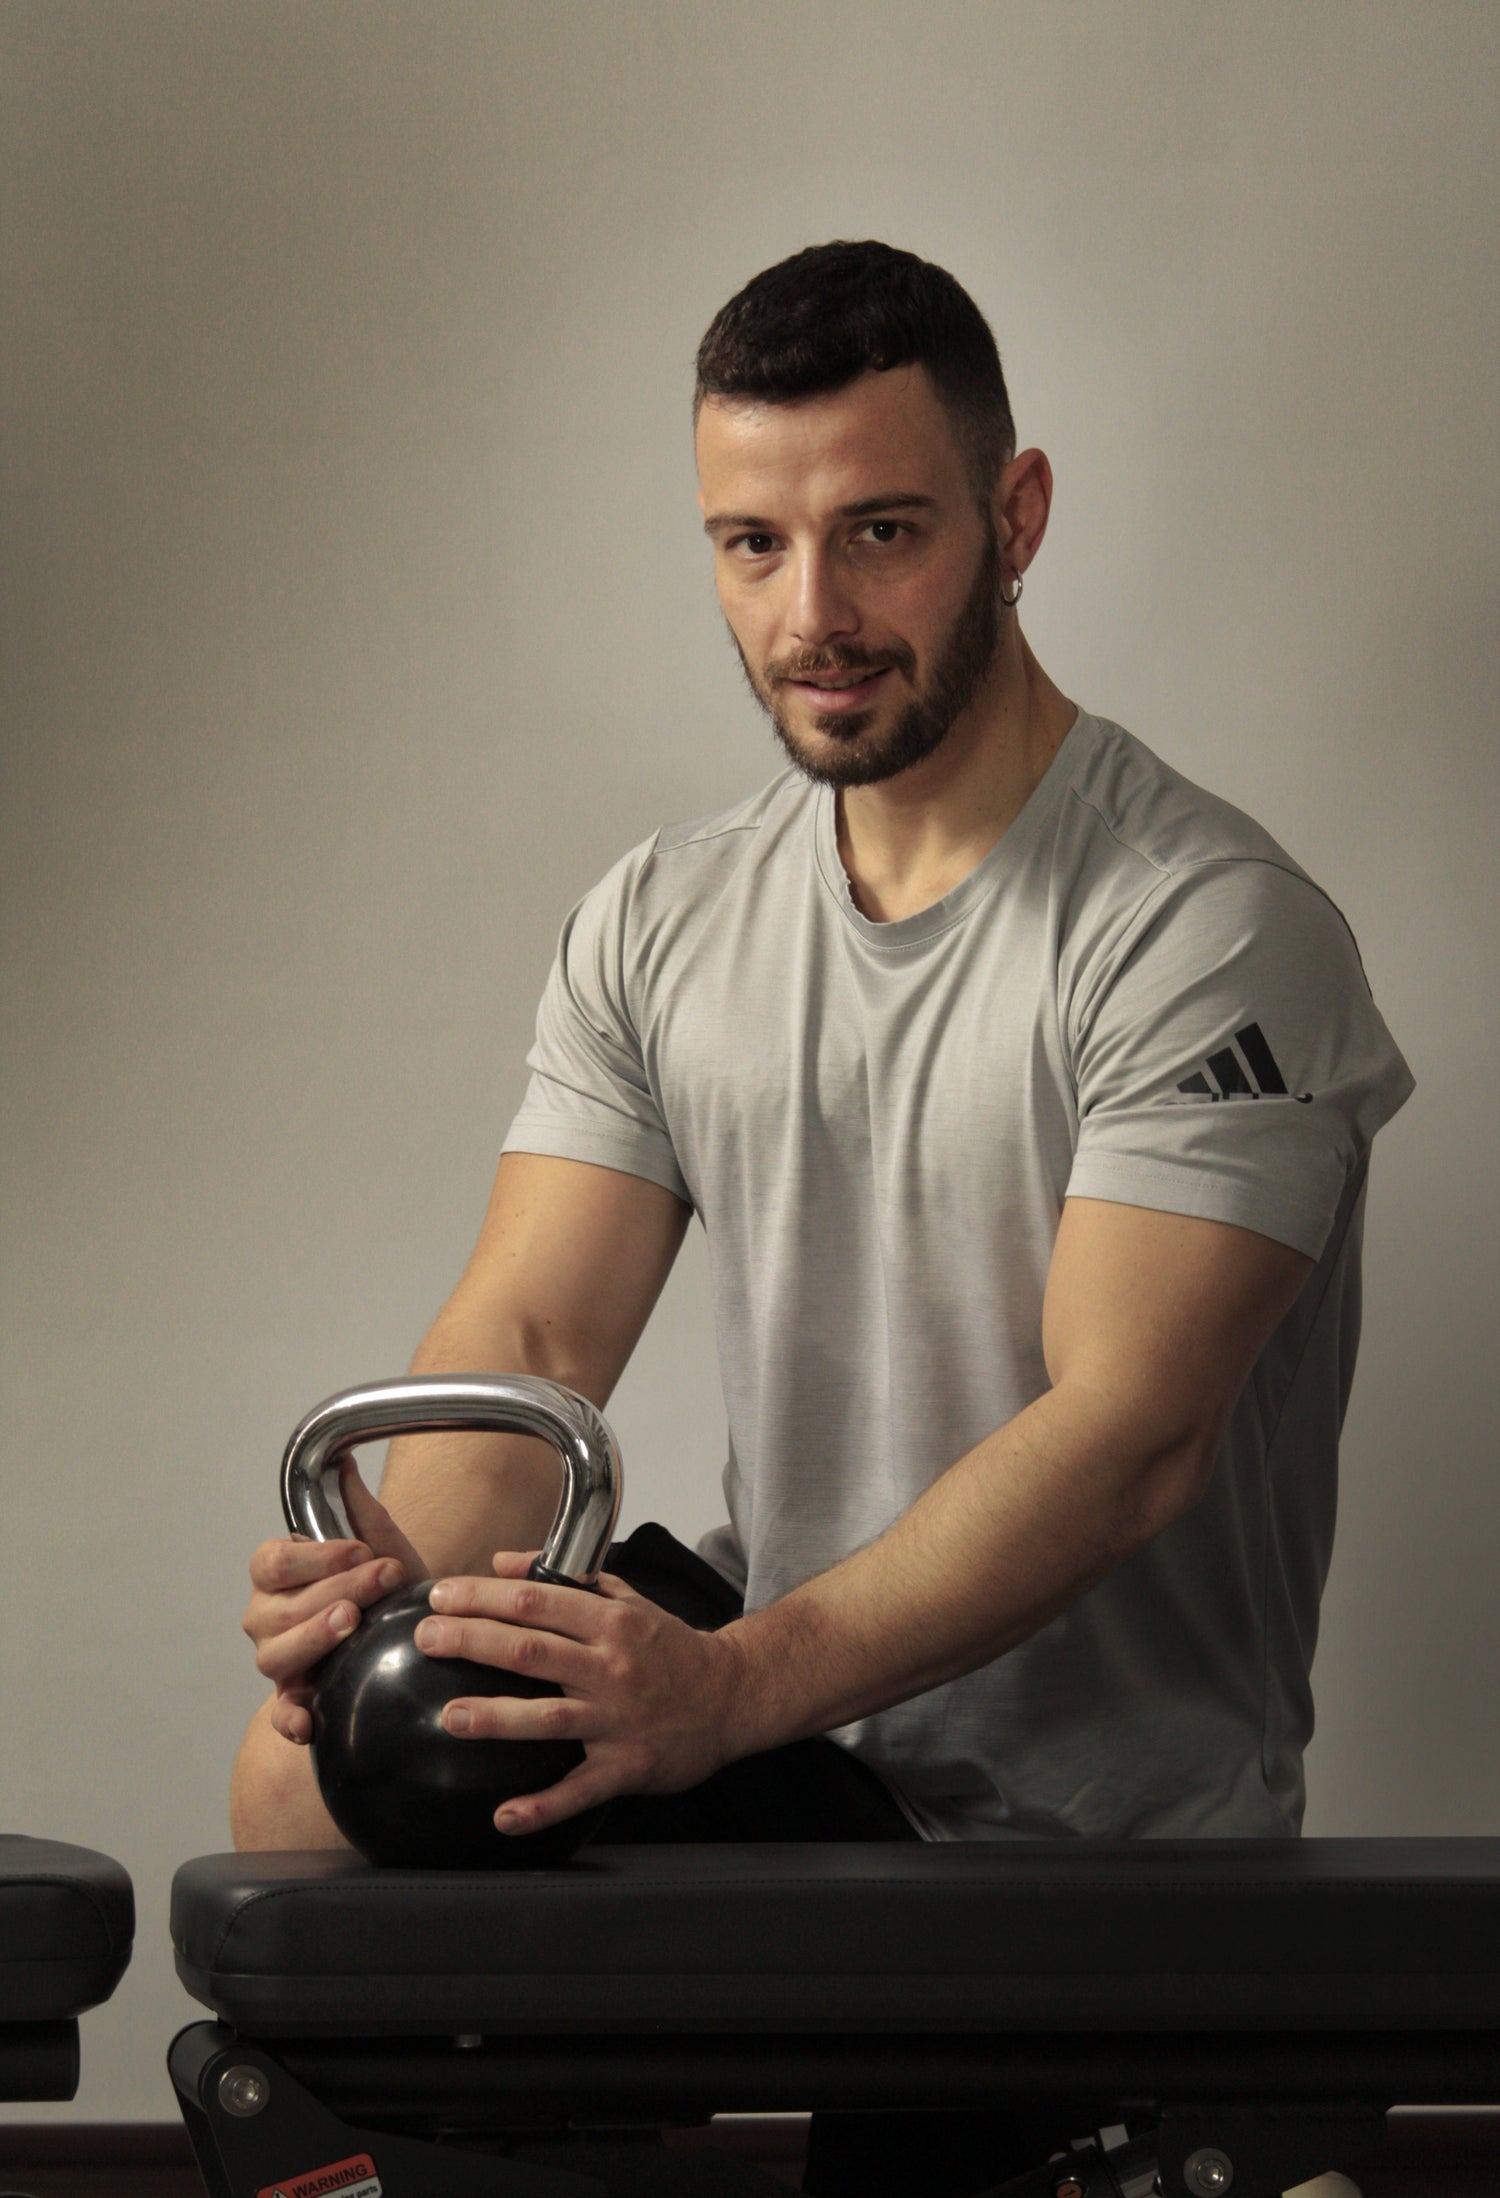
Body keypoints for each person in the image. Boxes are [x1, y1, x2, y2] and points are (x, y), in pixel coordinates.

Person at [232, 240, 1412, 2192]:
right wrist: (385, 1603)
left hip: (1083, 1845)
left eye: (881, 532)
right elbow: (530, 1338)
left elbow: (1130, 1433)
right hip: (796, 1745)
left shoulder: (1207, 927)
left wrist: (727, 1688)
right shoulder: (665, 919)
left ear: (1014, 518)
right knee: (308, 1780)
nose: (815, 615)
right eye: (753, 546)